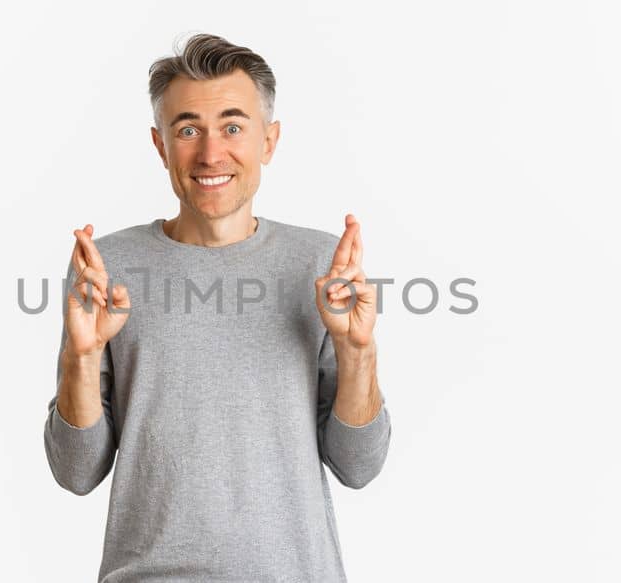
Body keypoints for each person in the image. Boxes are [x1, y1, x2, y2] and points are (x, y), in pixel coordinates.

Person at [43, 33, 392, 582]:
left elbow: (359, 464)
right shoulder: (107, 267)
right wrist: (80, 359)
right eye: (188, 130)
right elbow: (76, 471)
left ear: (269, 142)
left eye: (233, 127)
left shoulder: (321, 264)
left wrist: (357, 350)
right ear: (160, 146)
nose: (211, 154)